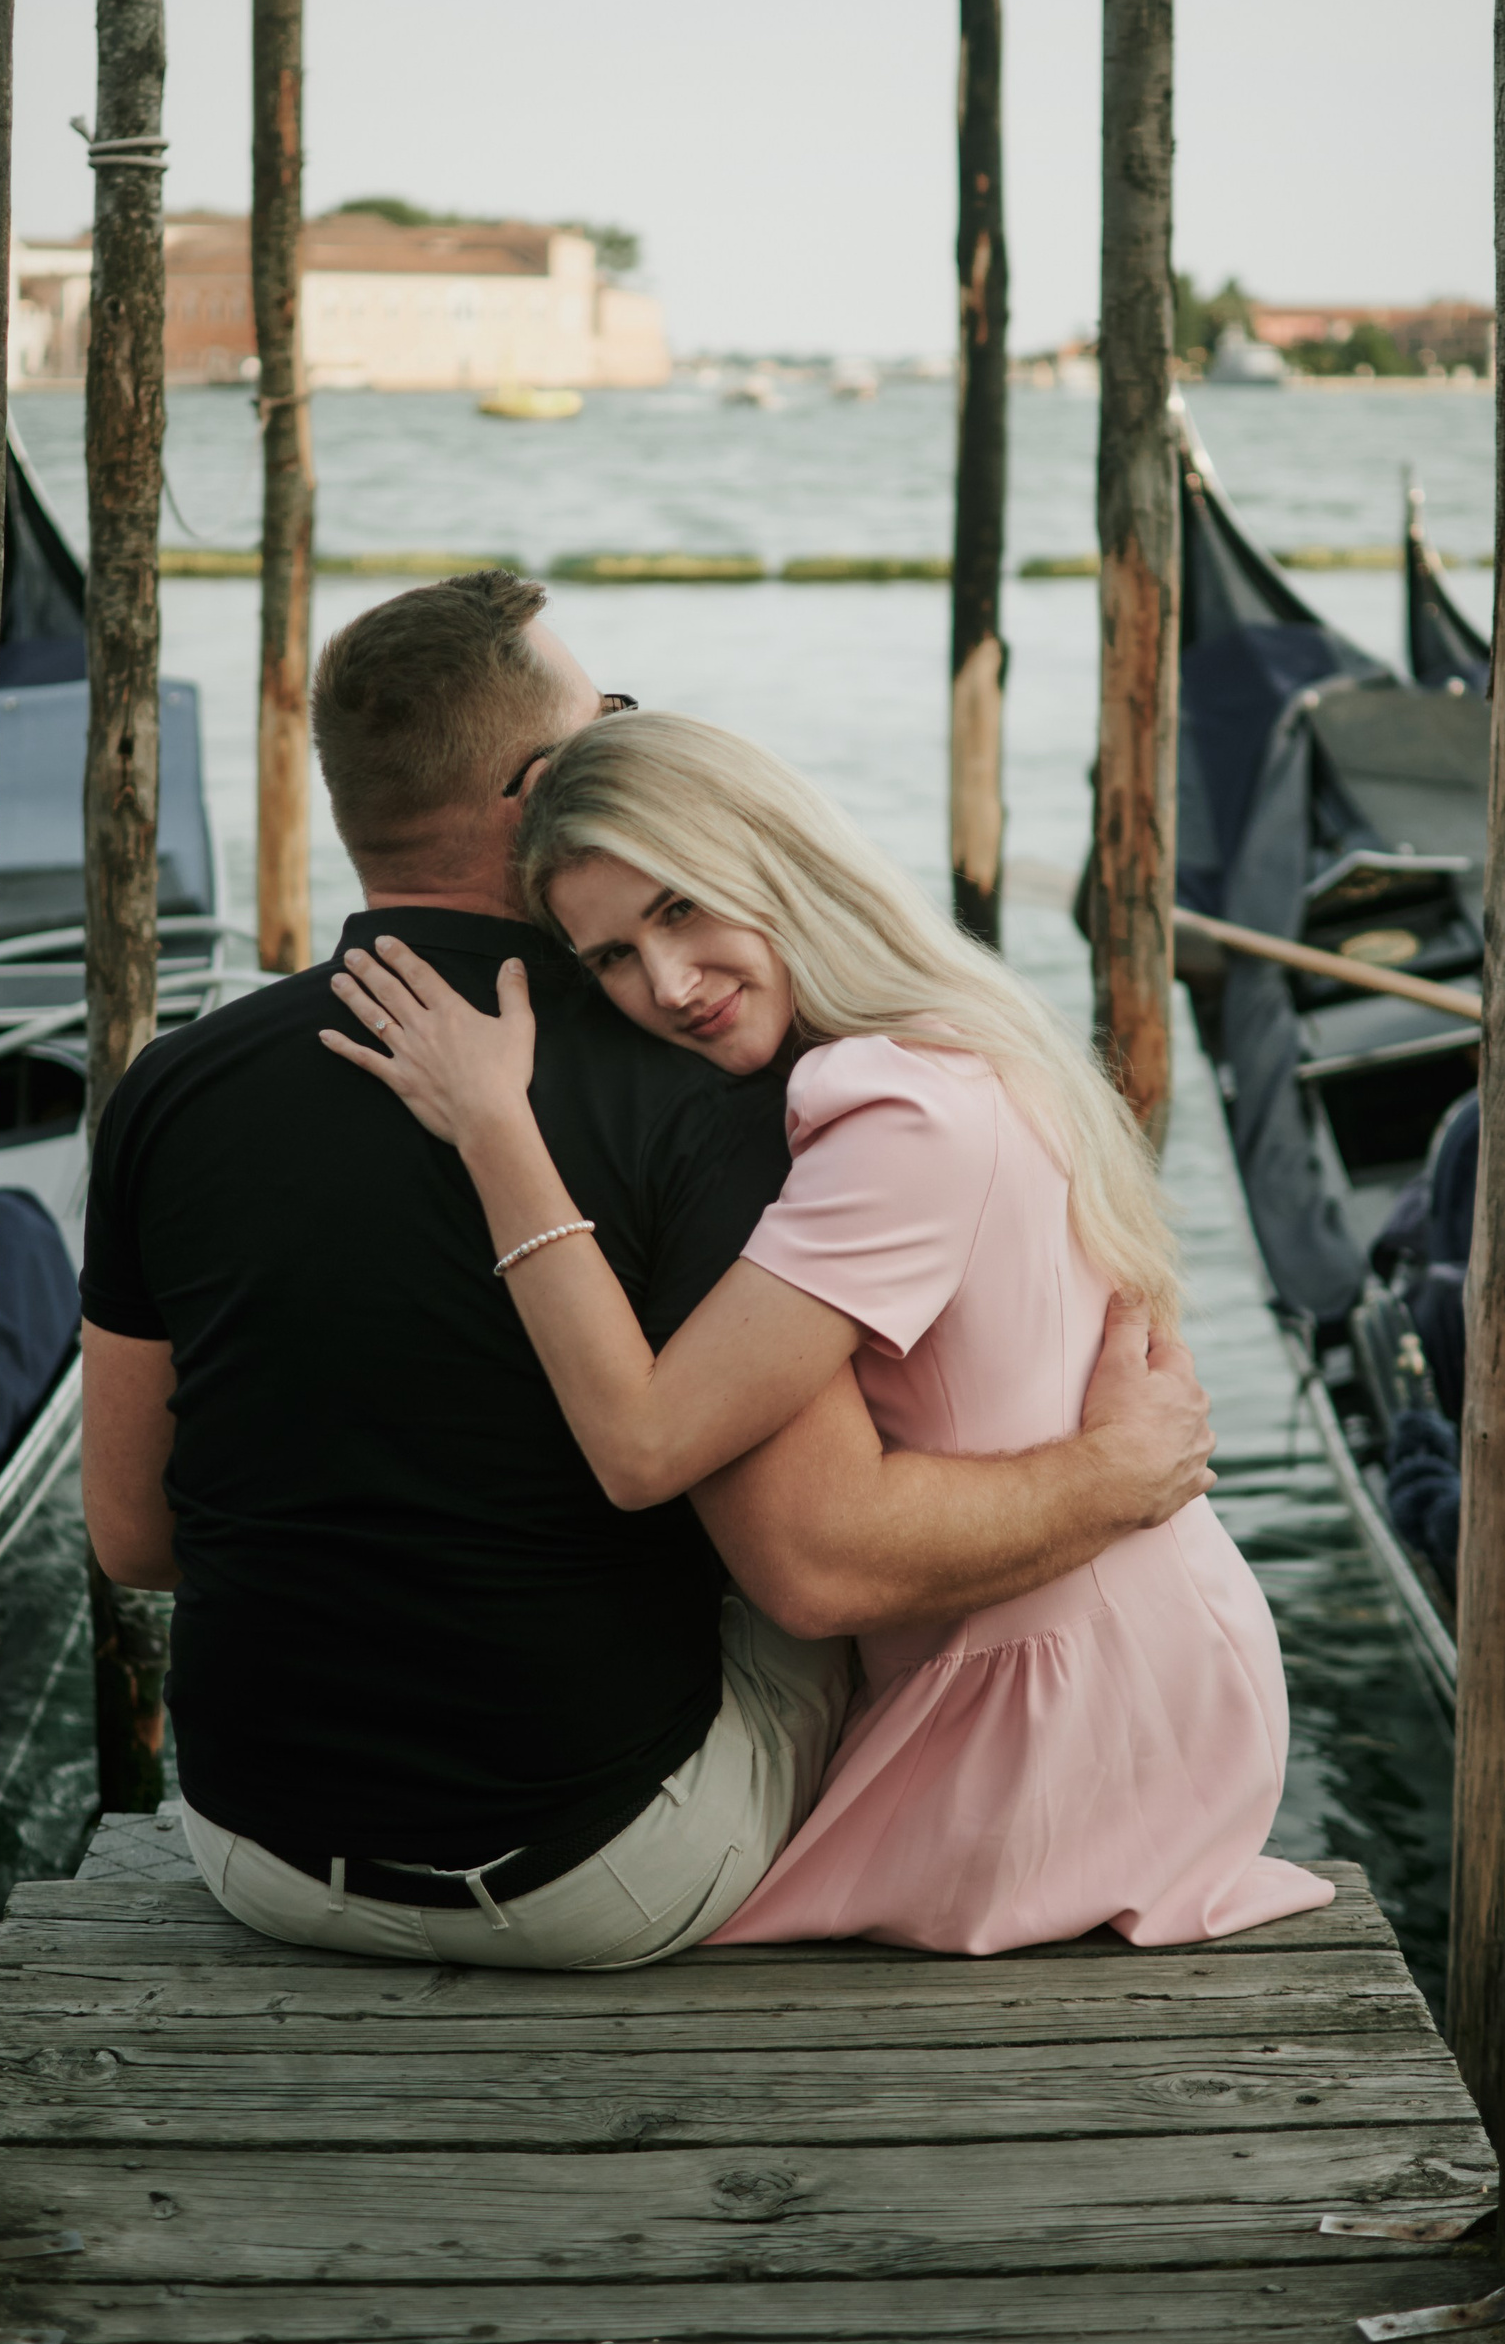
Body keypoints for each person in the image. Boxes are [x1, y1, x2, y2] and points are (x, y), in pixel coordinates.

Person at [82, 572, 1217, 1973]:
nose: (661, 978)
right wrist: (1117, 1472)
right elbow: (814, 1560)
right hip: (598, 1874)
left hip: (252, 1849)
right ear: (551, 785)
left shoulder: (169, 1089)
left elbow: (135, 1538)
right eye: (612, 717)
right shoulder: (711, 1090)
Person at [325, 705, 1331, 1954]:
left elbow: (644, 1446)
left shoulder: (895, 1114)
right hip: (1126, 1656)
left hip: (1057, 1723)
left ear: (778, 862)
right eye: (614, 957)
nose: (668, 984)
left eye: (684, 907)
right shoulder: (952, 1040)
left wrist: (494, 1128)